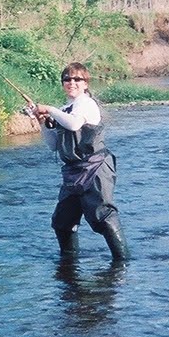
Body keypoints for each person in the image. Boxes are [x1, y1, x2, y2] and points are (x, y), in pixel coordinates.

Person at [32, 62, 131, 261]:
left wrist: (49, 109)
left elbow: (75, 123)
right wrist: (42, 122)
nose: (71, 82)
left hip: (95, 168)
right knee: (62, 221)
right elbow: (54, 145)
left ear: (86, 84)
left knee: (102, 217)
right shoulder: (64, 109)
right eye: (67, 79)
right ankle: (68, 264)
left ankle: (122, 263)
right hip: (72, 172)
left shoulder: (86, 104)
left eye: (77, 79)